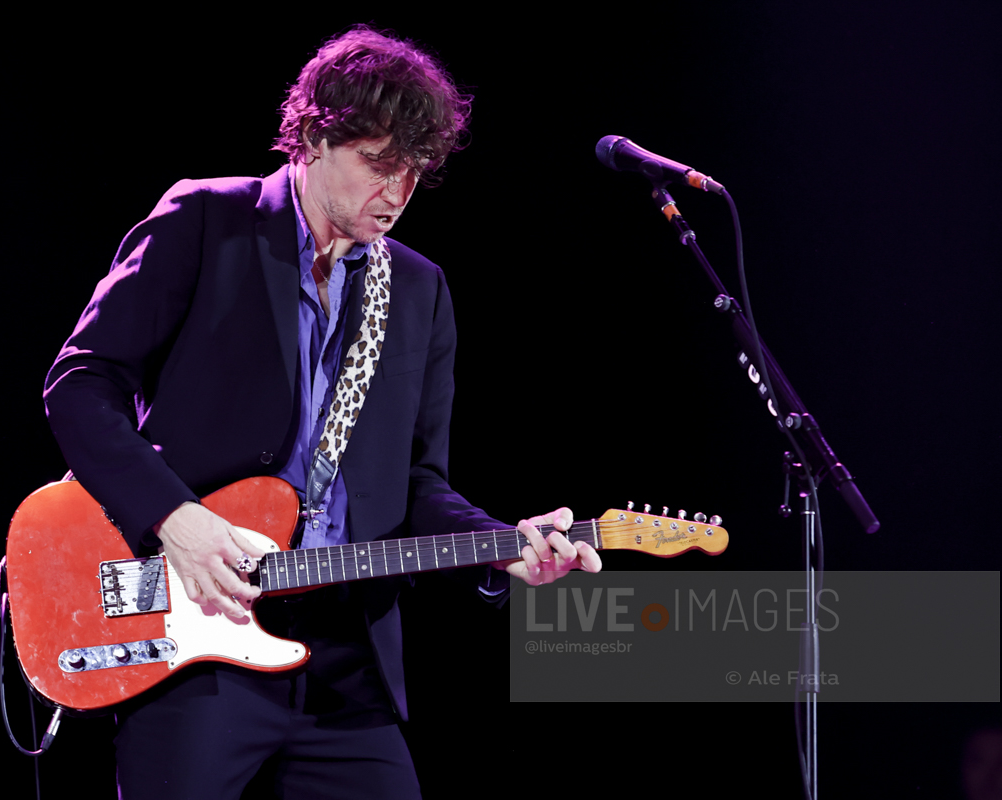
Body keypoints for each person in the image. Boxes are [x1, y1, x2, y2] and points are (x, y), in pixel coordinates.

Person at [43, 25, 601, 799]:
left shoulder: (418, 289)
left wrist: (503, 547)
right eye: (378, 163)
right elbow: (80, 383)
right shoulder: (205, 220)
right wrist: (177, 519)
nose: (398, 193)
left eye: (414, 170)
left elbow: (416, 484)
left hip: (346, 662)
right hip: (199, 632)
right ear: (313, 137)